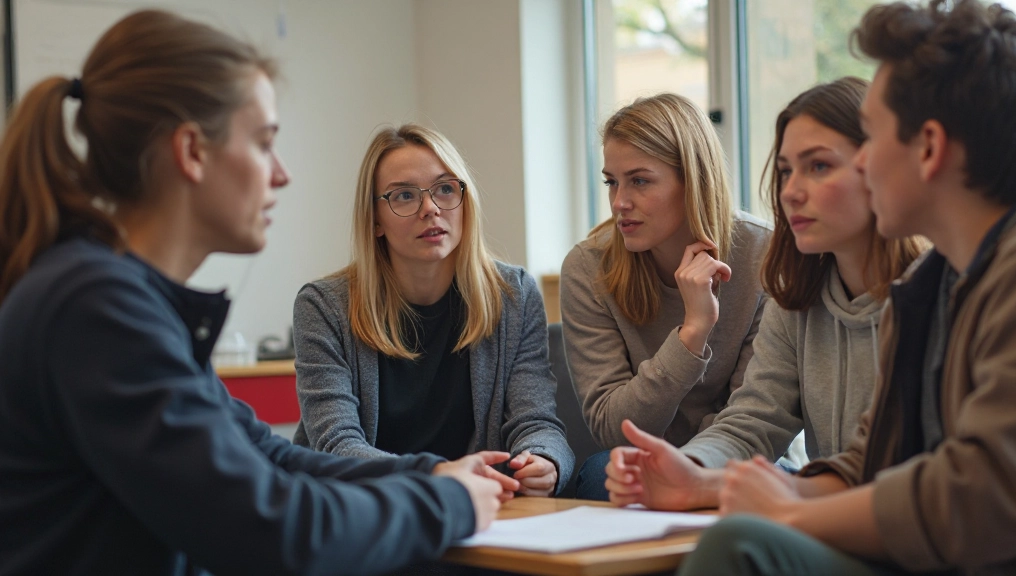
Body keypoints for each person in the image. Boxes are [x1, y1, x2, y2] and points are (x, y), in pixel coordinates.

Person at [0, 11, 515, 575]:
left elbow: (266, 454)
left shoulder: (119, 297)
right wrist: (447, 503)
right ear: (192, 151)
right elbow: (273, 530)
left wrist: (428, 475)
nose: (282, 174)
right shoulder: (96, 308)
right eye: (264, 143)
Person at [677, 1, 1016, 574]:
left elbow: (984, 494)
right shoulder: (939, 284)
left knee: (739, 546)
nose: (862, 163)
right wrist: (718, 484)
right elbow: (872, 458)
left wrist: (790, 515)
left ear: (930, 147)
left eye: (870, 138)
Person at [604, 78, 926, 510]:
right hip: (830, 516)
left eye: (818, 167)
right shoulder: (796, 296)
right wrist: (692, 467)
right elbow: (754, 420)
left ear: (881, 168)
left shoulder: (937, 293)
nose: (790, 191)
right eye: (786, 171)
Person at [291, 123, 574, 497]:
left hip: (474, 512)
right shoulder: (324, 306)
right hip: (360, 515)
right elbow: (337, 447)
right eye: (404, 196)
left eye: (445, 189)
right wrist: (439, 474)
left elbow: (535, 419)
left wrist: (542, 460)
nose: (431, 208)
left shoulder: (513, 295)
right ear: (375, 220)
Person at [560, 93, 771, 500]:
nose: (620, 202)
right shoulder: (589, 267)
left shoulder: (763, 254)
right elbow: (613, 428)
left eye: (640, 180)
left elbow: (755, 415)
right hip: (639, 457)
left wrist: (689, 470)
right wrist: (692, 332)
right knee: (603, 471)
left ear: (692, 179)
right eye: (611, 181)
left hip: (738, 457)